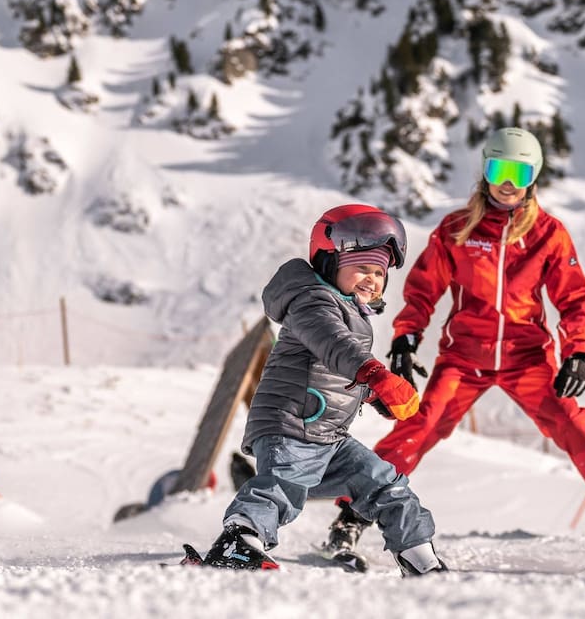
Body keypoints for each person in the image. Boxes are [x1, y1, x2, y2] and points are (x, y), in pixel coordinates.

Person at [322, 128, 585, 571]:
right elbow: (423, 291)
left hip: (528, 358)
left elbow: (572, 299)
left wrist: (578, 352)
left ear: (534, 176)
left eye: (519, 171)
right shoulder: (456, 229)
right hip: (464, 357)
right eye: (498, 169)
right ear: (485, 171)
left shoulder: (548, 234)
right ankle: (349, 521)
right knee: (418, 427)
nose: (508, 182)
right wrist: (406, 338)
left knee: (579, 427)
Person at [190, 203, 448, 575]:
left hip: (327, 436)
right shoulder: (312, 301)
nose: (371, 279)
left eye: (379, 272)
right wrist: (375, 374)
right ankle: (238, 542)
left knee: (385, 484)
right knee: (283, 487)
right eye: (361, 267)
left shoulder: (349, 311)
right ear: (329, 261)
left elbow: (331, 372)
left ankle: (420, 559)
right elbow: (333, 344)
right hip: (291, 425)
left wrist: (375, 396)